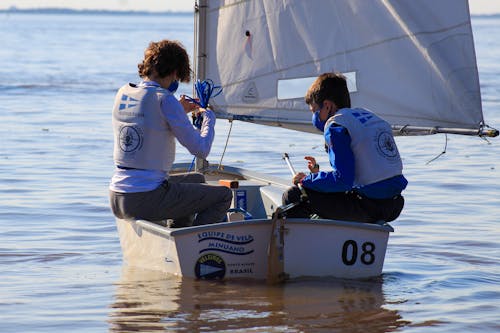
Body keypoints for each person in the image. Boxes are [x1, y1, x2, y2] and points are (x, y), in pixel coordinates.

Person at [109, 39, 232, 227]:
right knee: (223, 195)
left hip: (117, 196)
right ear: (175, 72)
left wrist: (179, 112)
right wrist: (209, 118)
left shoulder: (124, 92)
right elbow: (201, 149)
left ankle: (176, 237)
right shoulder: (165, 100)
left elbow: (146, 121)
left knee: (197, 180)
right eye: (177, 78)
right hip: (144, 197)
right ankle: (191, 245)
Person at [282, 72, 407, 223]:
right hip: (394, 204)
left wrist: (307, 180)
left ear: (327, 106)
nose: (315, 117)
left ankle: (299, 244)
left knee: (294, 195)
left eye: (315, 110)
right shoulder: (371, 117)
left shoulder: (336, 126)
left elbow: (343, 180)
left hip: (369, 206)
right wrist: (317, 176)